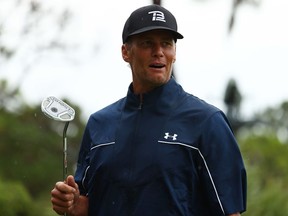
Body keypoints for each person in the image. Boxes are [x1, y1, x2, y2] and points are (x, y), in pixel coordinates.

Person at [51, 4, 247, 216]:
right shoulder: (100, 124)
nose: (159, 52)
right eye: (147, 44)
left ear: (174, 52)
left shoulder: (207, 122)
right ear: (126, 52)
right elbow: (91, 204)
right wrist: (71, 204)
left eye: (166, 44)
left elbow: (230, 212)